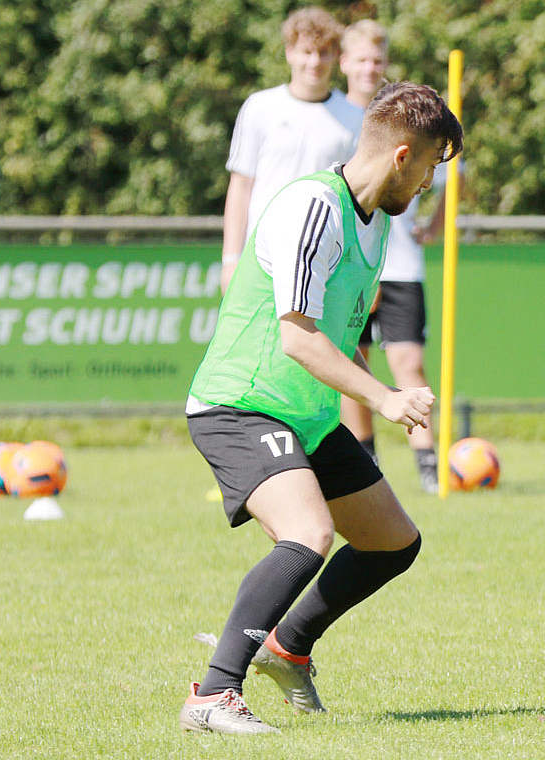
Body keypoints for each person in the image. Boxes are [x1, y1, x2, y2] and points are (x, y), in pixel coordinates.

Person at [178, 81, 463, 735]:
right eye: (428, 168)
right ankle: (213, 695)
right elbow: (298, 336)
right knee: (308, 535)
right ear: (401, 157)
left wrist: (376, 388)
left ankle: (289, 645)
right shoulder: (315, 206)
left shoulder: (379, 225)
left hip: (301, 412)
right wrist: (386, 398)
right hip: (240, 404)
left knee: (393, 542)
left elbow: (338, 341)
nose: (427, 185)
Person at [336, 19, 447, 492]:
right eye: (360, 59)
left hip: (400, 265)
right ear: (344, 64)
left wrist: (435, 227)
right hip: (351, 264)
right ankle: (365, 463)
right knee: (351, 362)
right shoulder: (334, 118)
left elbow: (446, 178)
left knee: (408, 364)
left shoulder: (403, 118)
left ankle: (428, 465)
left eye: (376, 60)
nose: (368, 68)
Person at [219, 7, 353, 293]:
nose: (314, 61)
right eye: (306, 51)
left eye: (323, 52)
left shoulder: (354, 118)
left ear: (336, 56)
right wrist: (230, 260)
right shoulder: (259, 107)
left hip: (325, 263)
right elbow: (241, 187)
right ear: (289, 52)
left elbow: (358, 202)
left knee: (309, 340)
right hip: (260, 260)